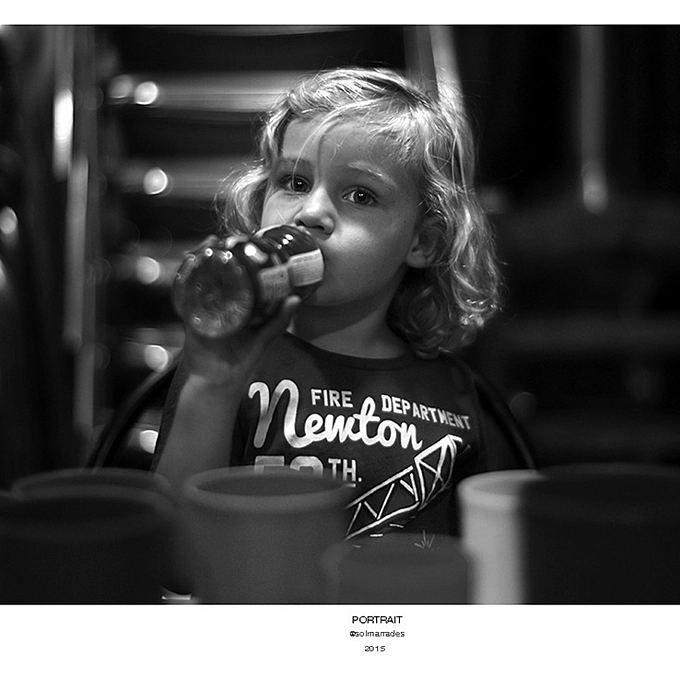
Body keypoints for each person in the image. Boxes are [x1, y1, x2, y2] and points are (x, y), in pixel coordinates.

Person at [152, 66, 529, 544]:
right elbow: (174, 554)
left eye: (360, 195)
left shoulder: (456, 393)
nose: (311, 213)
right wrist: (211, 387)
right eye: (293, 182)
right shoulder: (224, 364)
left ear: (423, 242)